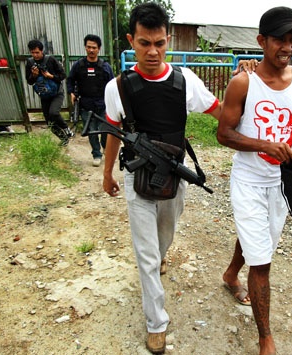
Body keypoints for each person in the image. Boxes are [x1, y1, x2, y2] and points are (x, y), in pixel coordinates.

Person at [102, 3, 223, 353]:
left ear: (167, 39)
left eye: (159, 43)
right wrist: (107, 171)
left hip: (173, 177)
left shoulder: (186, 81)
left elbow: (221, 112)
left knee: (164, 238)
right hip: (137, 177)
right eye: (144, 43)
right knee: (146, 254)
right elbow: (113, 131)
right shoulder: (119, 87)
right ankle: (157, 321)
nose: (152, 52)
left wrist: (247, 81)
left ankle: (162, 255)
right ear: (131, 41)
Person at [216, 6, 292, 355]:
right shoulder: (243, 83)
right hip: (248, 179)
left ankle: (231, 274)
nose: (287, 47)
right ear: (262, 40)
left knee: (257, 240)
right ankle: (265, 338)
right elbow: (224, 133)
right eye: (280, 39)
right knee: (262, 261)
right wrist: (265, 144)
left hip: (281, 182)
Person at [66, 34, 114, 166]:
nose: (91, 50)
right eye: (88, 47)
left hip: (103, 104)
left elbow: (112, 85)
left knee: (105, 130)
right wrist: (71, 93)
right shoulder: (78, 65)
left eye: (94, 47)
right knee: (91, 131)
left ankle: (105, 147)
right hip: (86, 104)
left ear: (99, 49)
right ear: (85, 48)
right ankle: (96, 155)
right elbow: (70, 80)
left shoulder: (105, 67)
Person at [25, 39, 74, 145]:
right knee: (50, 123)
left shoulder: (50, 60)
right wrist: (34, 75)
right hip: (44, 95)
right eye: (32, 53)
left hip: (56, 93)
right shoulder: (30, 63)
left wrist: (50, 76)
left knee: (54, 113)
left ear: (42, 51)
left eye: (37, 52)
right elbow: (29, 81)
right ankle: (64, 139)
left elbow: (62, 75)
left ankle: (66, 129)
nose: (35, 55)